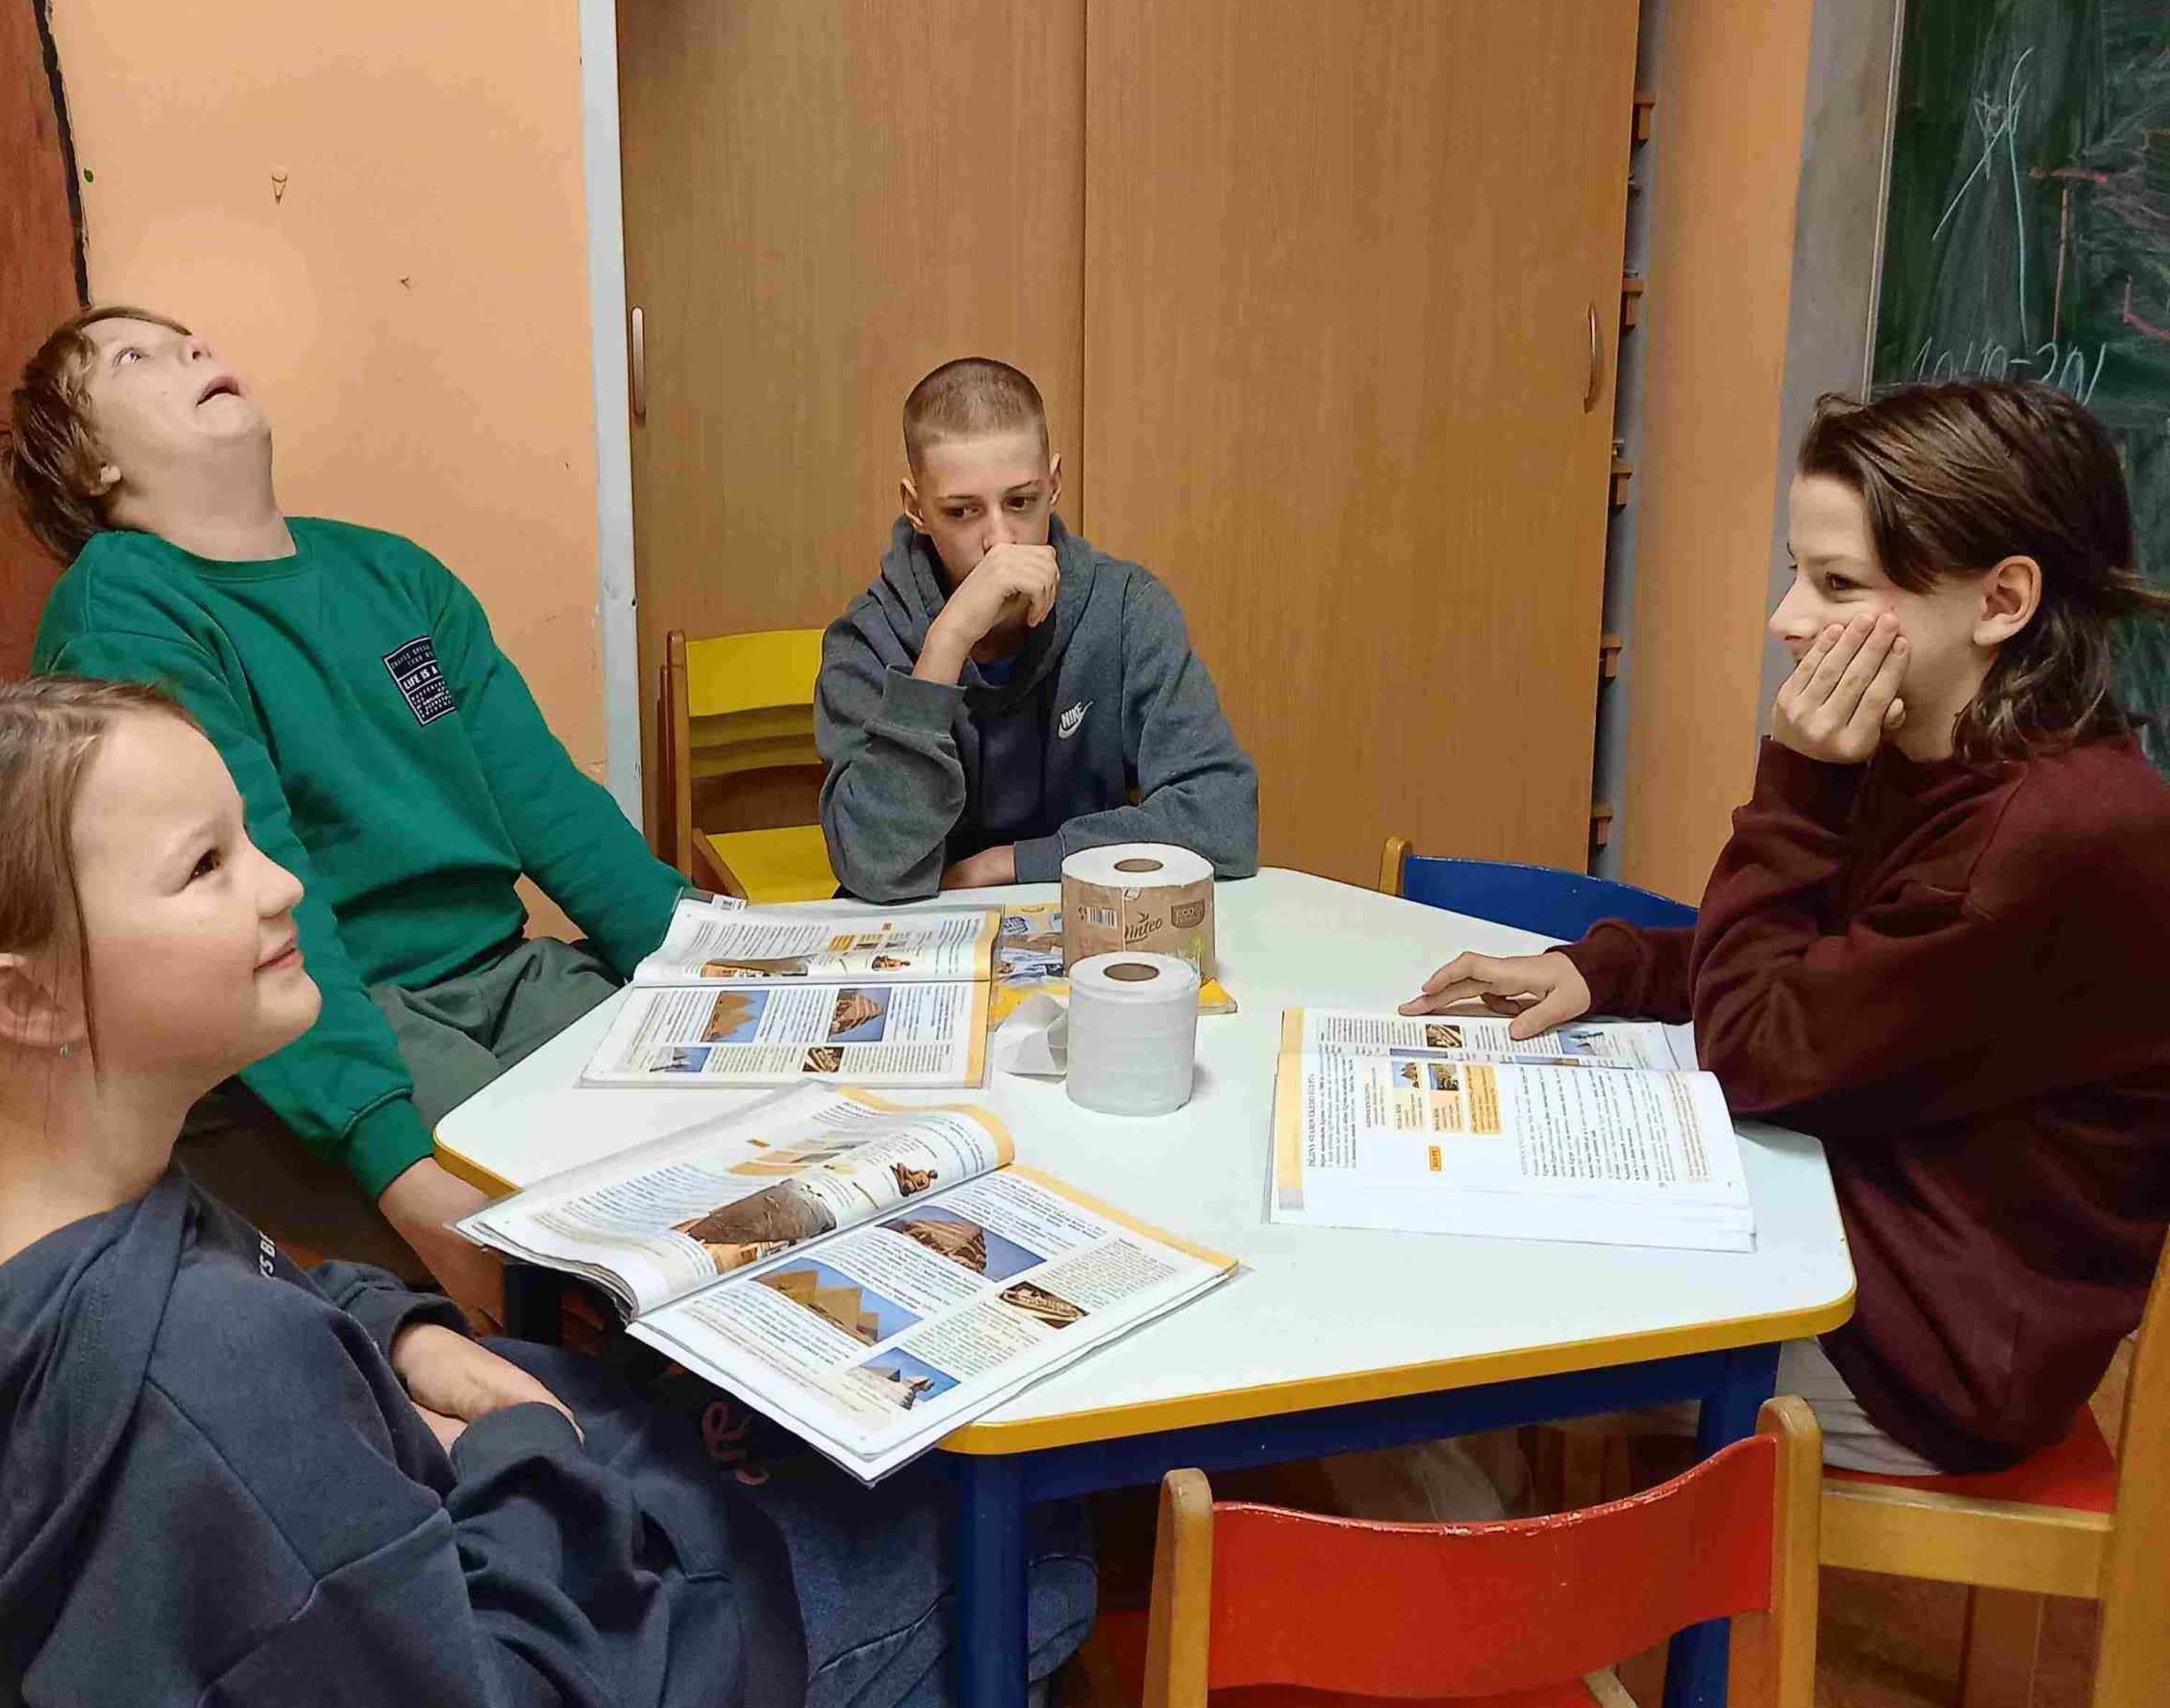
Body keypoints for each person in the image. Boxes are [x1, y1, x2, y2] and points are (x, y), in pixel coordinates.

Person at [0, 678, 1090, 1708]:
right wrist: (523, 1448)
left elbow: (262, 1289)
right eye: (205, 867)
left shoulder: (70, 1224)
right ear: (27, 994)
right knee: (1018, 1555)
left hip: (408, 1639)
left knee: (749, 1429)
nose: (284, 885)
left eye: (250, 838)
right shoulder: (206, 1379)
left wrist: (410, 1336)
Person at [1406, 379, 2170, 1476]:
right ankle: (1505, 1551)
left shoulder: (2046, 836)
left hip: (1928, 1355)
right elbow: (1836, 972)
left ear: (2002, 600)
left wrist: (1801, 780)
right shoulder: (1955, 748)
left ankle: (1487, 1576)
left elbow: (1760, 1048)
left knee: (1437, 1346)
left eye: (1838, 583)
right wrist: (1613, 968)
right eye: (1796, 572)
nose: (1788, 617)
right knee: (1461, 1267)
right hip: (1866, 1229)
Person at [4, 306, 690, 1318]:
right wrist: (399, 1165)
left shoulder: (391, 573)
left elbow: (550, 804)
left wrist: (724, 963)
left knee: (714, 1117)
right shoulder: (127, 603)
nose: (193, 351)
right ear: (92, 464)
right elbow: (254, 897)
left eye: (190, 340)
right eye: (134, 358)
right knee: (572, 1221)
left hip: (505, 972)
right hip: (317, 1020)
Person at [816, 357, 1258, 902]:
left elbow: (1224, 818)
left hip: (1087, 929)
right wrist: (946, 644)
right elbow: (869, 864)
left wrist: (1011, 863)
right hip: (925, 941)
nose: (999, 543)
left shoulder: (1125, 609)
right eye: (961, 512)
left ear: (1053, 485)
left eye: (1020, 502)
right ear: (917, 509)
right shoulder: (866, 640)